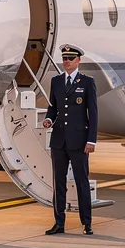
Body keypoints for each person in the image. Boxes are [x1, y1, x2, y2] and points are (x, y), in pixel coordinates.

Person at [42, 44, 98, 235]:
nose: (66, 62)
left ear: (78, 60)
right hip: (59, 141)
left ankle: (86, 223)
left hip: (79, 141)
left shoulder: (87, 82)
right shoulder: (56, 81)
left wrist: (91, 140)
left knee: (82, 182)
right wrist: (49, 119)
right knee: (59, 183)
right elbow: (53, 108)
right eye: (64, 58)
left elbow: (93, 114)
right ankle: (59, 222)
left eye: (70, 59)